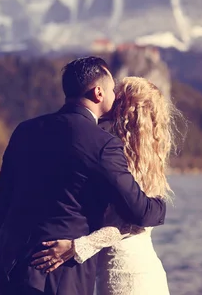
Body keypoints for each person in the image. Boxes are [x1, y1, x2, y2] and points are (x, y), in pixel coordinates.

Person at [0, 57, 167, 295]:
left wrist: (4, 251)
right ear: (98, 93)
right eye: (112, 88)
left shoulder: (25, 130)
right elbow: (137, 210)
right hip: (59, 275)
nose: (115, 95)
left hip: (9, 272)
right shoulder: (101, 144)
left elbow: (2, 201)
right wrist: (160, 206)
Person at [31, 76, 181, 295]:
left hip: (126, 273)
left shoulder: (114, 155)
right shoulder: (146, 157)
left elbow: (130, 224)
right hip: (141, 268)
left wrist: (78, 247)